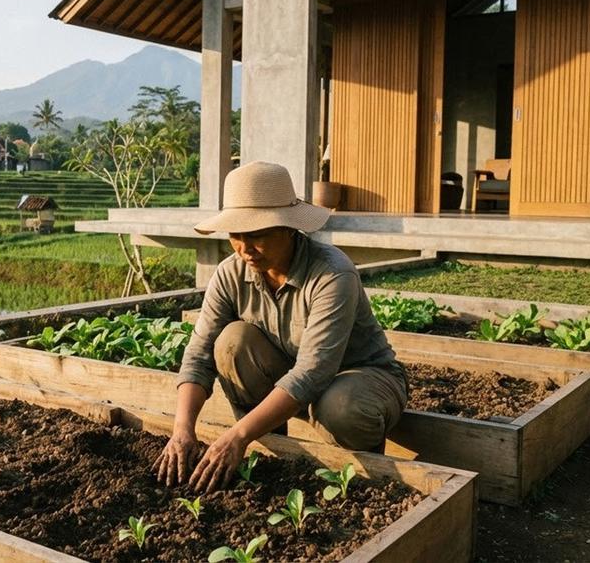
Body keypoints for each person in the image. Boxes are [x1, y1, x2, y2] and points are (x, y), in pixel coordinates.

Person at [154, 161, 408, 492]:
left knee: (341, 406)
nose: (245, 248)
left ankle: (367, 477)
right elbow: (199, 354)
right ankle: (274, 453)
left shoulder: (332, 274)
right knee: (231, 342)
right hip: (290, 380)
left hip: (360, 378)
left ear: (289, 228)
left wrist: (237, 434)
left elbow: (313, 373)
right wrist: (182, 430)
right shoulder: (231, 273)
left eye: (257, 235)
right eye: (236, 235)